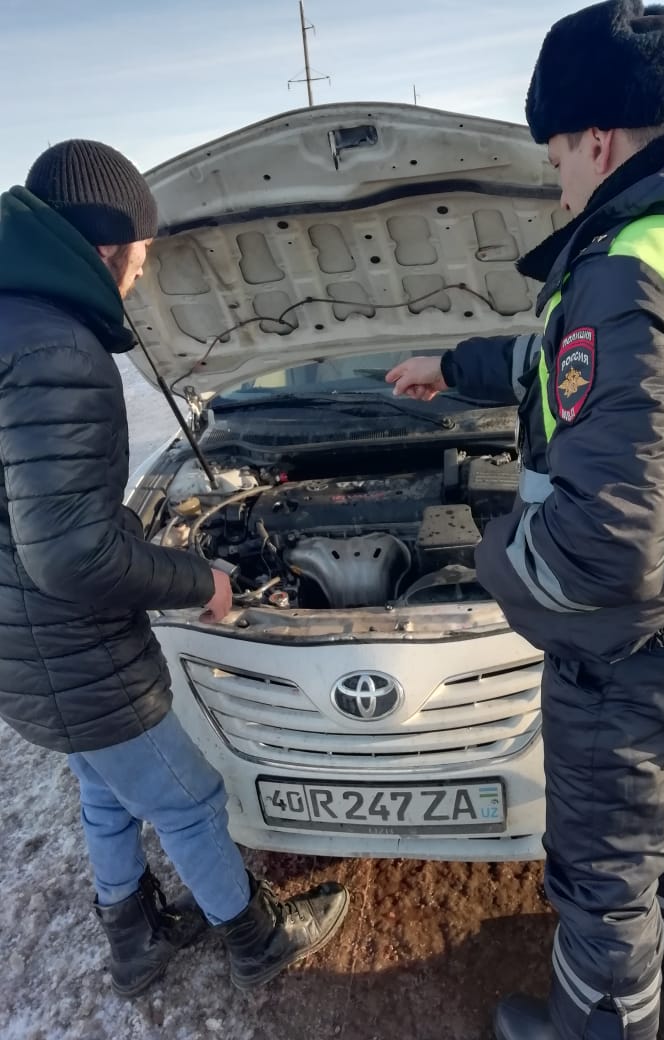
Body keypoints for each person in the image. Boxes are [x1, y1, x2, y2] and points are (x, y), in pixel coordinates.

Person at [389, 3, 664, 1039]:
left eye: (554, 150)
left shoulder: (631, 266)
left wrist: (488, 560)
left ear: (594, 138)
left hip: (628, 658)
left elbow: (604, 543)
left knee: (605, 885)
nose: (557, 175)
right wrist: (454, 364)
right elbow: (570, 376)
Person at [0, 139, 348, 998]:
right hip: (72, 644)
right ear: (107, 245)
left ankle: (134, 939)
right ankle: (256, 936)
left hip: (25, 633)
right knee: (186, 798)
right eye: (144, 255)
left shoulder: (16, 323)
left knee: (107, 789)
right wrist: (201, 580)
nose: (142, 276)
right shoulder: (56, 349)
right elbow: (73, 552)